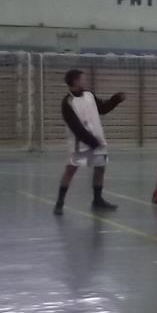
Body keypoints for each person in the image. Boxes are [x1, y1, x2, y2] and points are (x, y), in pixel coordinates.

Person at [55, 68, 124, 216]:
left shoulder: (89, 95)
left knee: (100, 168)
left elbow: (103, 109)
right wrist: (91, 141)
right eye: (82, 78)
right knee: (71, 170)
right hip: (80, 144)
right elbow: (75, 126)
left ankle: (97, 200)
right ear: (75, 81)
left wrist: (115, 100)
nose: (84, 81)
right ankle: (60, 202)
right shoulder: (67, 102)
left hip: (97, 141)